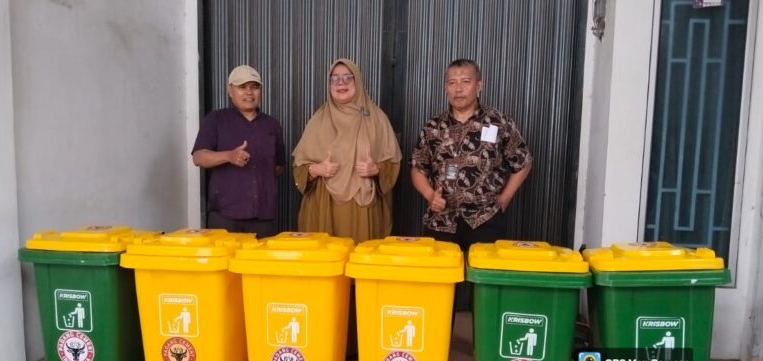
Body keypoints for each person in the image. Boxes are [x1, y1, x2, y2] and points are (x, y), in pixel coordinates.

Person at [411, 59, 532, 251]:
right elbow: (418, 169)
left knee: (484, 278)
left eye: (465, 82)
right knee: (443, 277)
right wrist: (429, 195)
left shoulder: (498, 122)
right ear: (446, 88)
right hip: (442, 221)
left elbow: (523, 162)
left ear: (479, 86)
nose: (458, 89)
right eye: (452, 83)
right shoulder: (433, 127)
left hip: (485, 221)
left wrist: (505, 198)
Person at [293, 59, 402, 243]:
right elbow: (299, 167)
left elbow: (393, 163)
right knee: (329, 264)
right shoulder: (318, 119)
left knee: (359, 263)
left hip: (363, 208)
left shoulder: (376, 118)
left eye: (347, 78)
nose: (340, 83)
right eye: (334, 79)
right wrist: (316, 170)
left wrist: (376, 170)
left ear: (357, 81)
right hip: (324, 206)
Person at [192, 65, 286, 238]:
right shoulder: (216, 120)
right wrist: (229, 156)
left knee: (260, 265)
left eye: (254, 87)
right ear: (230, 90)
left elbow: (279, 167)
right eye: (242, 87)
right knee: (225, 265)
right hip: (225, 217)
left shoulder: (272, 125)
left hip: (264, 219)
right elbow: (198, 157)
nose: (249, 93)